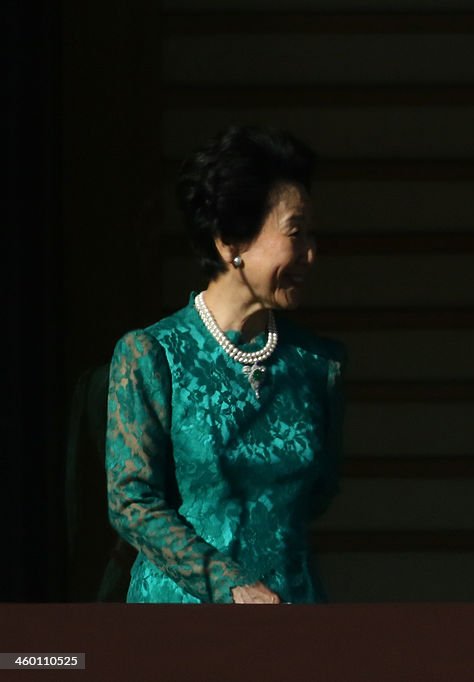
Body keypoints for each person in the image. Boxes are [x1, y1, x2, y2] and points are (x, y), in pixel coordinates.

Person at [105, 125, 344, 603]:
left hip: (292, 614)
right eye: (296, 234)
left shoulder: (317, 365)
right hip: (180, 618)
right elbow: (132, 502)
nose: (310, 254)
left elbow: (319, 493)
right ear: (230, 242)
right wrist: (228, 583)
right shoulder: (153, 354)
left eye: (312, 234)